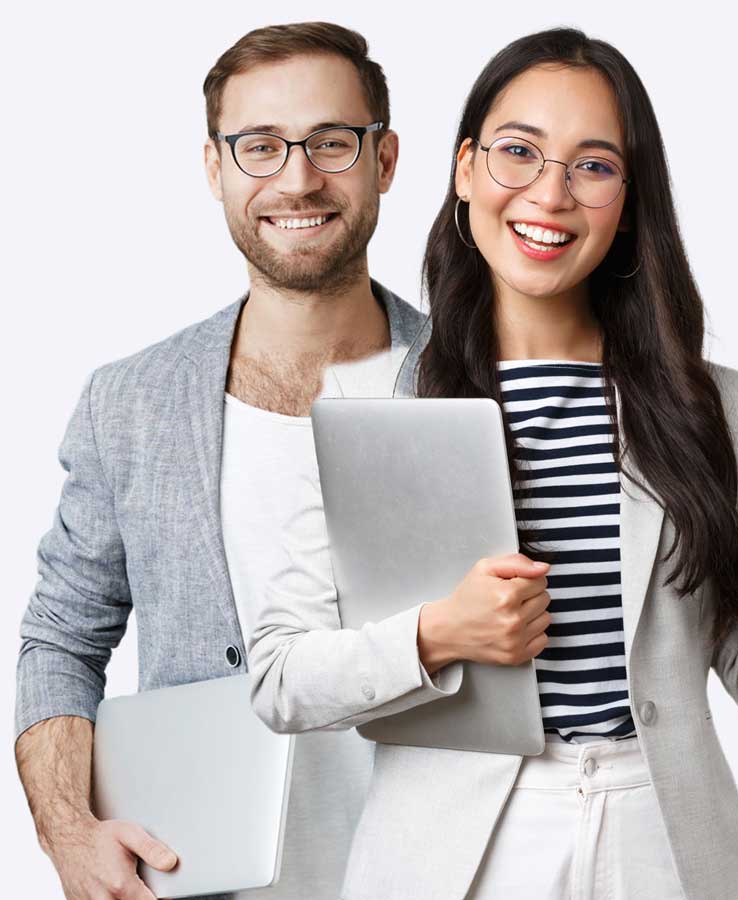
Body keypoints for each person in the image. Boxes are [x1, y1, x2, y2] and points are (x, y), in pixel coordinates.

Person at [247, 27, 738, 900]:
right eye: (519, 153)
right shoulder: (369, 403)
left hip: (662, 843)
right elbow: (280, 678)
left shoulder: (717, 407)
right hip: (457, 857)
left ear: (628, 200)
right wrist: (438, 634)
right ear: (466, 169)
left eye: (593, 166)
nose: (550, 194)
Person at [13, 21, 429, 900]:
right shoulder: (127, 402)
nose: (299, 177)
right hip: (204, 880)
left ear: (383, 159)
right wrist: (67, 833)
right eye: (261, 146)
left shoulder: (479, 382)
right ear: (215, 169)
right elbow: (61, 639)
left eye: (331, 141)